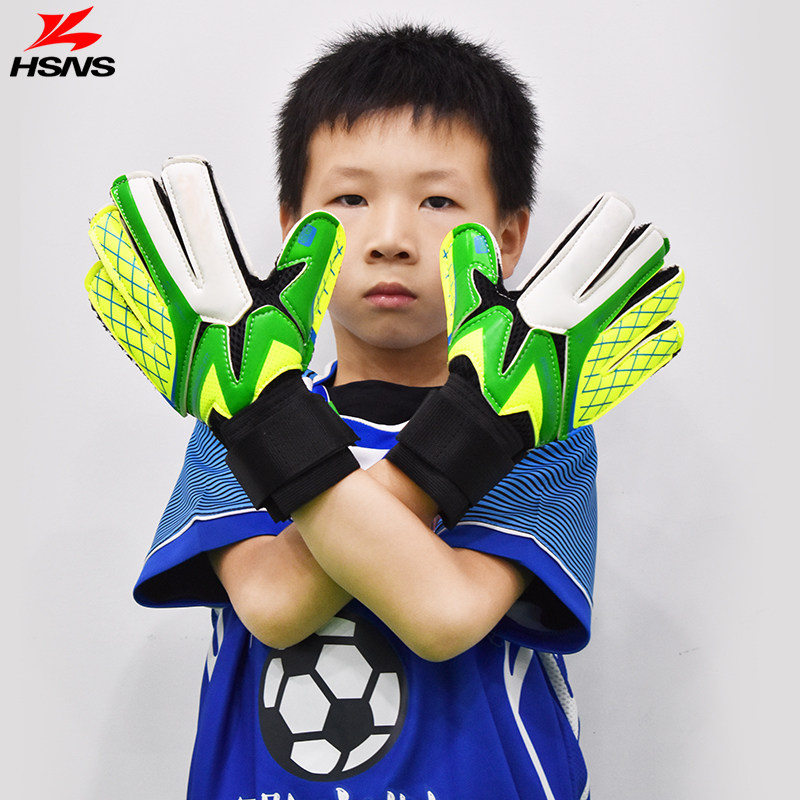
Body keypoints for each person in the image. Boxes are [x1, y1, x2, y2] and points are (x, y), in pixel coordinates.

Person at [89, 23, 681, 800]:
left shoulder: (544, 434)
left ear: (507, 238)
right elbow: (273, 606)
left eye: (438, 200)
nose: (392, 238)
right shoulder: (228, 417)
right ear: (293, 230)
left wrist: (271, 425)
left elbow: (442, 614)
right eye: (350, 198)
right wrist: (268, 416)